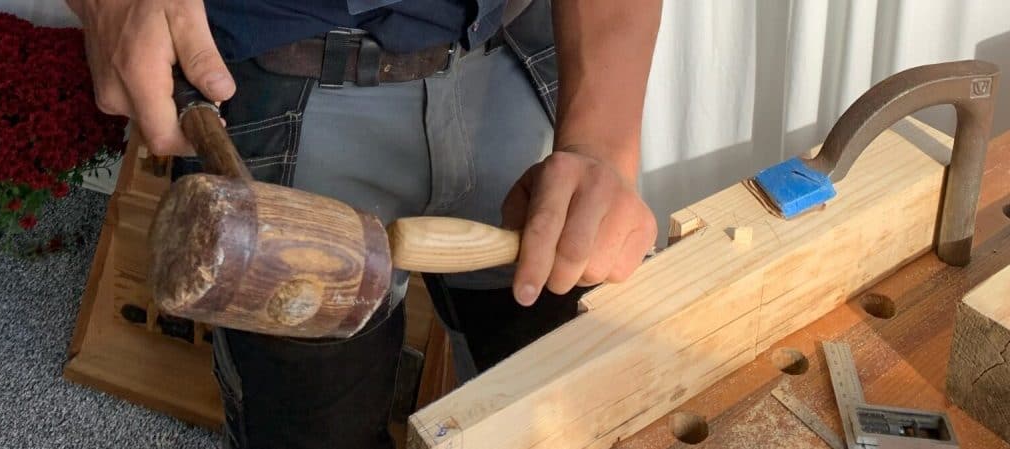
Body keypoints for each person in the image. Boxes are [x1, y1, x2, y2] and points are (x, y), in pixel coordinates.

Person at [67, 0, 662, 447]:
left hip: (518, 61)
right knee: (314, 422)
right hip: (286, 83)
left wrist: (600, 144)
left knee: (566, 407)